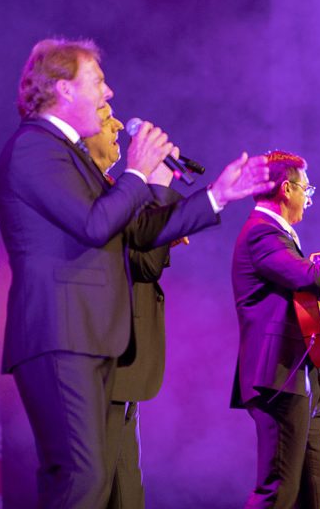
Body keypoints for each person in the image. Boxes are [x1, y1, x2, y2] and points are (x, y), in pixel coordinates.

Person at [0, 38, 272, 508]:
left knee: (93, 480)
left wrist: (217, 196)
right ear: (63, 89)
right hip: (60, 334)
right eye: (97, 81)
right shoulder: (34, 148)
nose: (109, 93)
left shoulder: (68, 153)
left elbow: (138, 232)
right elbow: (95, 223)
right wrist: (137, 172)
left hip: (88, 336)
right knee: (82, 478)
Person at [230, 151, 320, 508]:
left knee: (315, 494)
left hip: (302, 375)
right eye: (306, 189)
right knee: (279, 491)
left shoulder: (279, 234)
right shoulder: (261, 232)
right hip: (278, 377)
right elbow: (305, 275)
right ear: (286, 189)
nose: (309, 199)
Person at [85, 103, 182, 508]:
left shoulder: (107, 188)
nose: (119, 126)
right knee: (97, 492)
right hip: (102, 363)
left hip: (121, 363)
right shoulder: (90, 191)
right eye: (106, 117)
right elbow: (144, 264)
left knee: (127, 493)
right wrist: (159, 189)